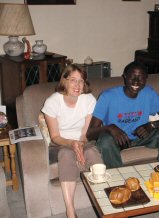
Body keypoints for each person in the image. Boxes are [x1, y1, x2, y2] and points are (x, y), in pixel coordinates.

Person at [86, 61, 159, 168]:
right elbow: (90, 134)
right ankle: (117, 179)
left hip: (141, 137)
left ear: (145, 79)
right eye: (132, 77)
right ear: (125, 76)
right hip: (117, 140)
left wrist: (151, 125)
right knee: (106, 140)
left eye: (141, 78)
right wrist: (110, 128)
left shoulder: (149, 93)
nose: (136, 82)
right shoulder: (107, 96)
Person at [42, 64, 101, 218]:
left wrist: (80, 144)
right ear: (65, 81)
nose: (77, 85)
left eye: (81, 81)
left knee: (93, 153)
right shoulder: (53, 101)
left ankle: (104, 203)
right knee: (66, 155)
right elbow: (55, 136)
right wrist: (72, 144)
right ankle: (70, 210)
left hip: (83, 140)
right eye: (73, 80)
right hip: (60, 143)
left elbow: (85, 132)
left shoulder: (89, 99)